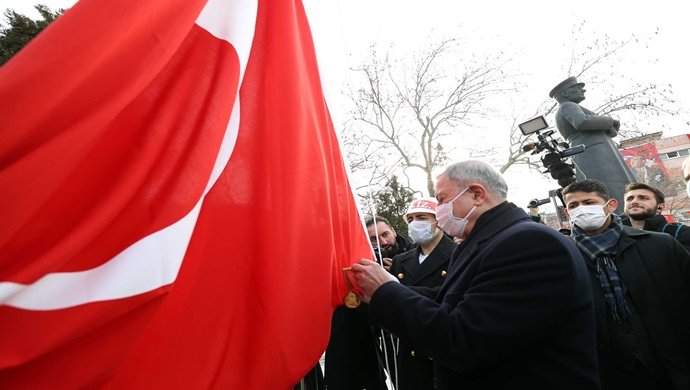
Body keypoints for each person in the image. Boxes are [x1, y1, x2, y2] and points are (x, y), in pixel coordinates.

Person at [352, 160, 600, 389]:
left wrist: (386, 292)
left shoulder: (530, 243)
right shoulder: (483, 242)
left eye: (442, 199)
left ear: (476, 194)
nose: (438, 210)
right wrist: (387, 287)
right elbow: (450, 299)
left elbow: (464, 341)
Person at [563, 179, 690, 389]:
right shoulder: (560, 259)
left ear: (610, 205)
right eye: (573, 206)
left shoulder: (660, 244)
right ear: (567, 213)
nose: (581, 210)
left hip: (671, 364)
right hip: (608, 373)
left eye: (589, 202)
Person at [324, 216, 414, 390]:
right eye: (374, 239)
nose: (383, 242)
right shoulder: (366, 260)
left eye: (385, 234)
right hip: (384, 340)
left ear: (394, 231)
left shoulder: (412, 252)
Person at [386, 197, 456, 390]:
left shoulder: (459, 254)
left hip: (445, 352)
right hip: (411, 353)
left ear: (439, 220)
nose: (415, 224)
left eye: (422, 217)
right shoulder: (401, 260)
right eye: (411, 219)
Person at [550, 76, 636, 204]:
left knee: (615, 185)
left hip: (594, 149)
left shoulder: (568, 107)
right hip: (594, 152)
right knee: (611, 185)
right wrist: (610, 121)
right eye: (577, 88)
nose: (582, 90)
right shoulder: (567, 106)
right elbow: (581, 122)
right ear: (565, 92)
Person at [622, 182, 690, 252]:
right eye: (629, 199)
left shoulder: (681, 233)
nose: (634, 201)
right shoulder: (614, 233)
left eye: (643, 198)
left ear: (660, 207)